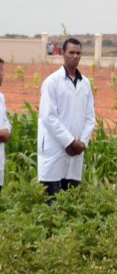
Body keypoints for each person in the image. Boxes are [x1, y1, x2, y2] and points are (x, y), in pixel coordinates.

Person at [37, 38, 95, 196]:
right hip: (55, 149)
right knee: (51, 199)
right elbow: (48, 116)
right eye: (71, 53)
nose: (75, 56)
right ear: (63, 53)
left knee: (71, 199)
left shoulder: (85, 84)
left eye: (78, 53)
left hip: (76, 152)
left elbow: (90, 117)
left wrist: (81, 143)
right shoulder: (52, 82)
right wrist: (69, 142)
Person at [0, 58, 9, 195]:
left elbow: (6, 121)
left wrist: (6, 131)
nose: (2, 74)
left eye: (2, 70)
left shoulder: (1, 97)